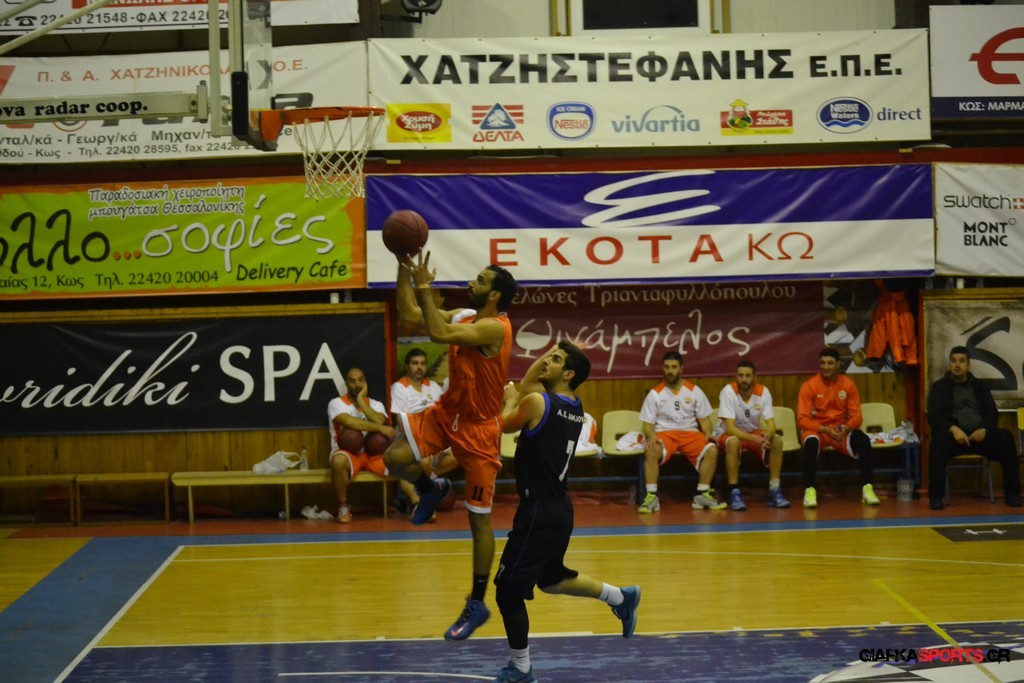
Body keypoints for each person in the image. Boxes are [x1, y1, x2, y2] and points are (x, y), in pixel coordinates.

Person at [384, 251, 517, 641]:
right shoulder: (466, 315)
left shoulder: (496, 329)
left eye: (480, 281)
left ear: (494, 295)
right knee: (395, 457)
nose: (471, 283)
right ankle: (430, 488)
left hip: (480, 432)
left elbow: (438, 335)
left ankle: (477, 602)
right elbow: (410, 312)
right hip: (448, 413)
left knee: (479, 521)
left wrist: (426, 288)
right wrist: (403, 265)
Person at [494, 342, 640, 683]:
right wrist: (553, 352)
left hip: (538, 513)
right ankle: (620, 596)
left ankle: (521, 668)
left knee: (507, 591)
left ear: (569, 374)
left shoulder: (536, 402)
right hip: (558, 510)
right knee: (551, 579)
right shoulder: (574, 405)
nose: (546, 362)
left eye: (556, 360)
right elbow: (533, 382)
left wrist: (509, 400)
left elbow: (503, 424)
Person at [926, 346, 1022, 510]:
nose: (957, 365)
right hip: (954, 437)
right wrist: (952, 428)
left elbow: (992, 413)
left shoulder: (980, 386)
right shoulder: (939, 387)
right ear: (949, 364)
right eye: (953, 361)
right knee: (938, 443)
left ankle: (1012, 494)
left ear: (968, 364)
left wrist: (983, 429)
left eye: (961, 361)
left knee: (1005, 437)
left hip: (979, 437)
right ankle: (936, 497)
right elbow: (934, 415)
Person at [637, 351, 725, 513]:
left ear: (681, 369)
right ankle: (651, 497)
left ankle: (702, 494)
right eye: (667, 367)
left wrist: (707, 432)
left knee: (712, 449)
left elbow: (705, 420)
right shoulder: (655, 393)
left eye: (674, 367)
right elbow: (647, 425)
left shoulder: (694, 390)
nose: (670, 371)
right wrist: (651, 436)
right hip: (665, 434)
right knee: (651, 449)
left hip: (690, 433)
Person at [797, 347, 879, 508]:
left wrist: (847, 428)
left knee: (863, 440)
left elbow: (857, 417)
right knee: (811, 444)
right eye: (822, 363)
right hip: (818, 430)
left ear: (838, 365)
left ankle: (868, 489)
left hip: (841, 431)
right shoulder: (809, 386)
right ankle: (809, 490)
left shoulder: (848, 384)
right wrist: (824, 429)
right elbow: (802, 420)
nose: (825, 367)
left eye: (830, 363)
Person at [389, 347, 458, 515]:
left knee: (460, 453)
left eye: (422, 363)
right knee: (425, 459)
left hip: (434, 439)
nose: (419, 367)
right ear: (407, 366)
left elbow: (444, 418)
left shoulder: (434, 387)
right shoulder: (399, 387)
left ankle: (425, 481)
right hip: (410, 440)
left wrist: (441, 442)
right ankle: (422, 499)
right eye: (415, 363)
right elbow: (401, 422)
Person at [714, 360, 790, 510]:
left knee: (777, 441)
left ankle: (774, 489)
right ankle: (734, 491)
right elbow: (730, 428)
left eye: (747, 376)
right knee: (733, 442)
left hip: (751, 432)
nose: (743, 379)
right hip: (728, 433)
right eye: (740, 375)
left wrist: (767, 436)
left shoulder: (763, 391)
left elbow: (771, 425)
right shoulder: (728, 391)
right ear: (736, 376)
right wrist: (755, 439)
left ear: (754, 377)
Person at [328, 367, 395, 523]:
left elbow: (379, 420)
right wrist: (380, 429)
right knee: (338, 461)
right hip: (348, 453)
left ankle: (416, 503)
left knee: (402, 460)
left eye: (361, 380)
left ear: (365, 382)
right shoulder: (336, 403)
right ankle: (343, 506)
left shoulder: (376, 404)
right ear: (346, 383)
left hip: (373, 454)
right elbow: (349, 422)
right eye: (352, 381)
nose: (357, 384)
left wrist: (360, 401)